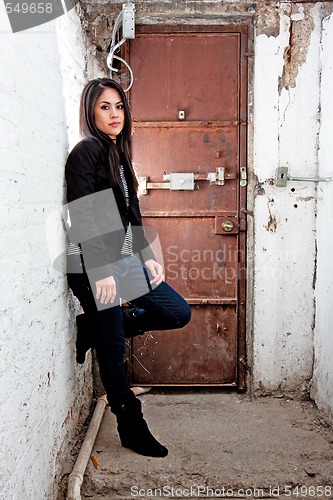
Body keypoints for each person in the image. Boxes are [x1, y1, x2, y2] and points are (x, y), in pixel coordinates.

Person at [65, 78, 191, 458]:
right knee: (114, 345)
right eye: (105, 107)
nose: (114, 114)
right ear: (90, 111)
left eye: (119, 106)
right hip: (91, 265)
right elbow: (83, 213)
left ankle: (92, 327)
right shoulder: (85, 152)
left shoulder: (118, 155)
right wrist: (101, 270)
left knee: (175, 312)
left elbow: (129, 216)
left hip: (123, 260)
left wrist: (146, 256)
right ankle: (130, 425)